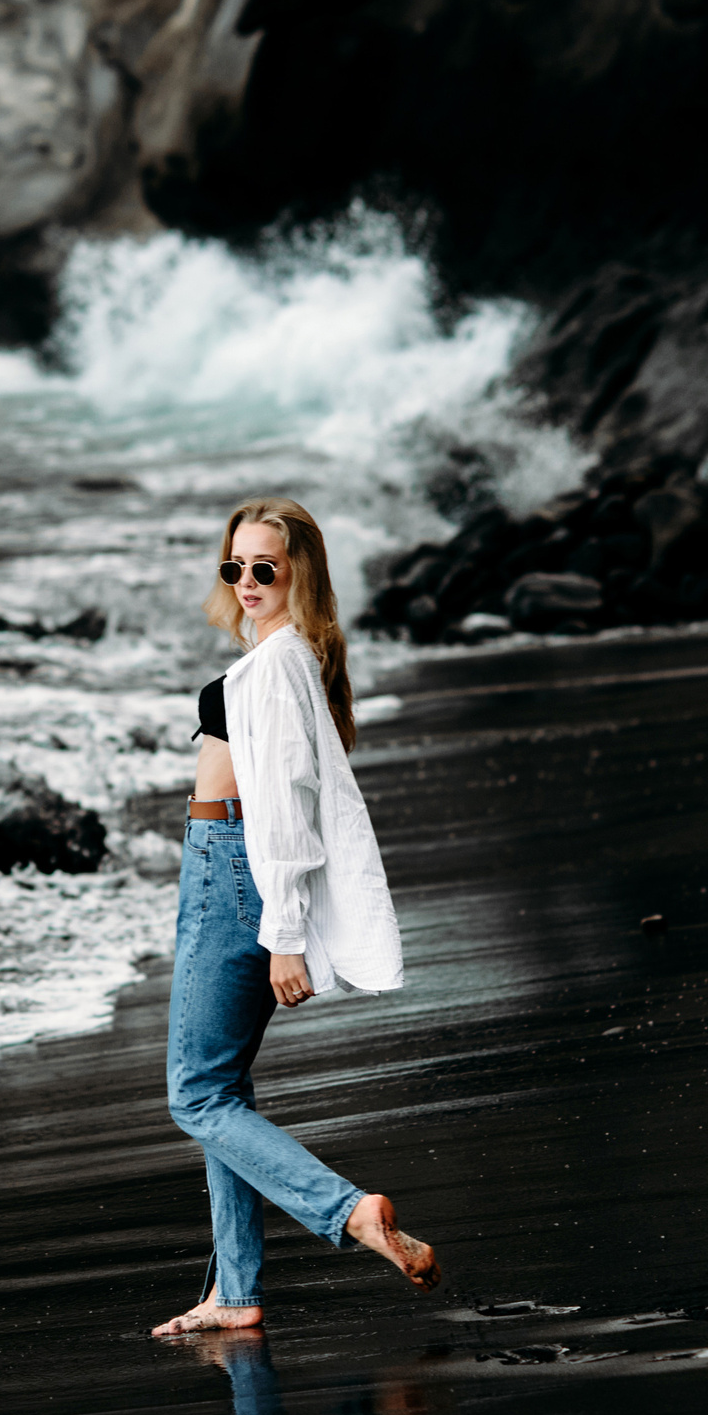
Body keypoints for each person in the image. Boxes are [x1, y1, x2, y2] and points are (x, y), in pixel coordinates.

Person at [151, 496, 441, 1340]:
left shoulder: (278, 664)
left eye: (264, 568)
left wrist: (282, 931)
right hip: (227, 865)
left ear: (299, 572)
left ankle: (350, 1210)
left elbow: (285, 808)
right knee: (221, 1090)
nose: (246, 581)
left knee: (195, 1094)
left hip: (233, 868)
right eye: (233, 566)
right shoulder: (281, 655)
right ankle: (235, 1291)